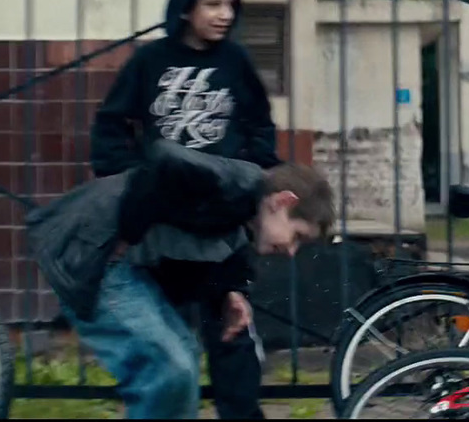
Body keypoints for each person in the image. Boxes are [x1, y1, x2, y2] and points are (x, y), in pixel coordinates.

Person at [88, 0, 283, 419]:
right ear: (185, 7)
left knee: (233, 342)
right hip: (164, 229)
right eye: (212, 3)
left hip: (221, 228)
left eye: (231, 4)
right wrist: (134, 175)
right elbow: (111, 126)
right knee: (168, 353)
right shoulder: (150, 61)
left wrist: (245, 172)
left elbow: (261, 127)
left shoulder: (235, 62)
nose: (224, 14)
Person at [27, 141, 336, 420]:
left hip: (123, 265)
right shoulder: (238, 184)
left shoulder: (243, 212)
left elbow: (212, 250)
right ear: (283, 201)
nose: (292, 251)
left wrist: (229, 293)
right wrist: (127, 232)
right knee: (169, 366)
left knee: (184, 359)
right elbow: (164, 157)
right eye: (297, 236)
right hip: (93, 254)